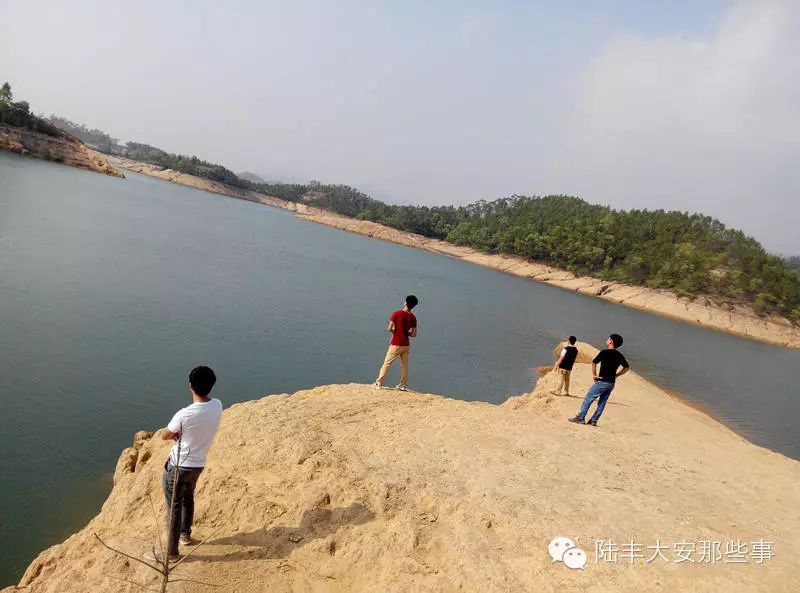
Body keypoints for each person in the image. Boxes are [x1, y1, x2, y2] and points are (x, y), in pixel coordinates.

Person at [148, 366, 223, 563]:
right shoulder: (217, 405)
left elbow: (165, 434)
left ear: (190, 385)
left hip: (179, 466)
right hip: (198, 464)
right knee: (188, 498)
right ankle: (185, 535)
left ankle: (171, 553)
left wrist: (176, 434)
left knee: (173, 507)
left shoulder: (184, 414)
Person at [569, 334, 629, 426]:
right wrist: (616, 375)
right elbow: (626, 368)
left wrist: (594, 375)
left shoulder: (604, 352)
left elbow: (594, 362)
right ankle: (594, 420)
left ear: (611, 341)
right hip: (611, 383)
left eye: (608, 338)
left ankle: (580, 417)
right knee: (602, 401)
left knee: (589, 398)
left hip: (602, 381)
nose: (607, 340)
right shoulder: (619, 355)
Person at [374, 295, 419, 391]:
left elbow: (389, 328)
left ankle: (379, 382)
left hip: (396, 343)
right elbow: (414, 334)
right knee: (404, 365)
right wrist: (406, 332)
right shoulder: (413, 317)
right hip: (406, 344)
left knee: (387, 363)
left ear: (405, 303)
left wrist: (396, 331)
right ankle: (402, 385)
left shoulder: (396, 314)